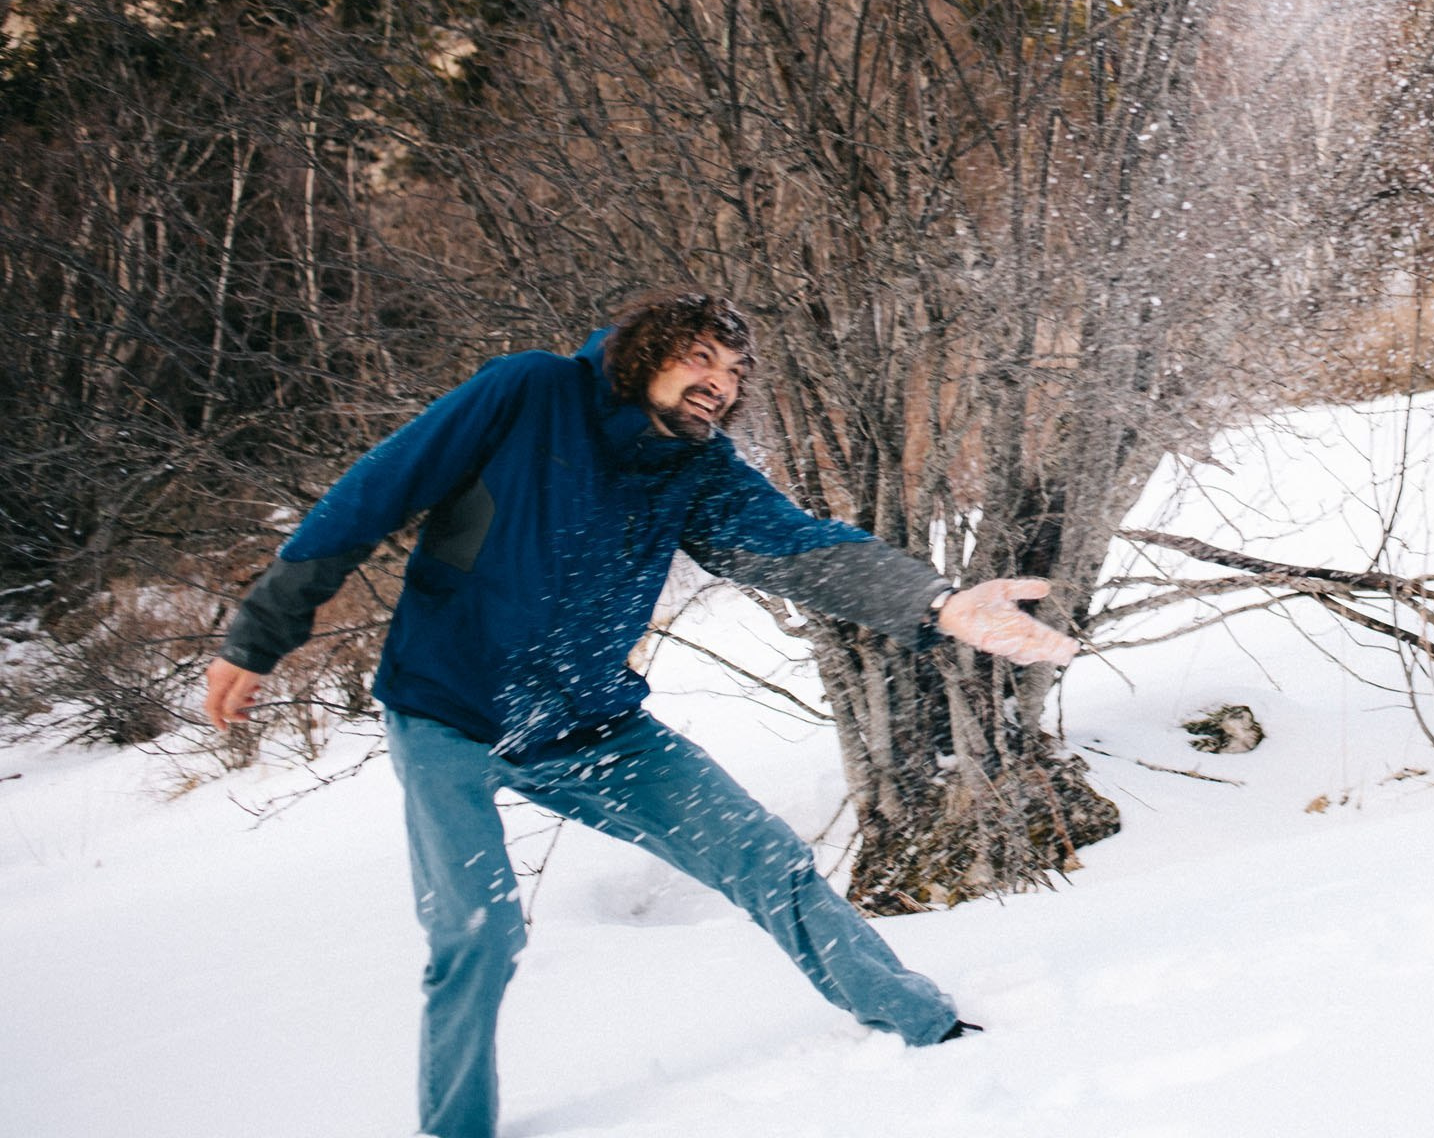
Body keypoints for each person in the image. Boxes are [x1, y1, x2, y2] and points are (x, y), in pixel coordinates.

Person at [203, 291, 1078, 1138]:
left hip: (592, 727)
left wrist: (935, 603)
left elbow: (798, 548)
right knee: (477, 929)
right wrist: (262, 631)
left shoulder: (693, 468)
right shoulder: (531, 391)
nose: (720, 382)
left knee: (768, 861)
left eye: (734, 371)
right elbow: (373, 493)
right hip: (449, 714)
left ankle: (925, 1029)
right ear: (643, 350)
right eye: (701, 356)